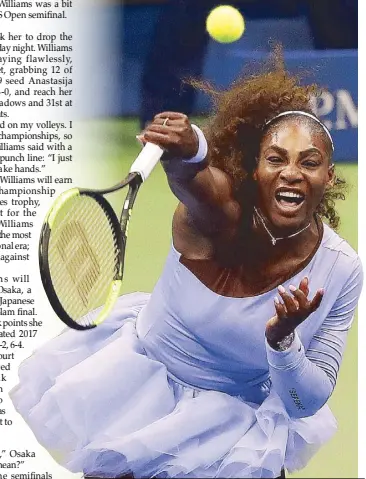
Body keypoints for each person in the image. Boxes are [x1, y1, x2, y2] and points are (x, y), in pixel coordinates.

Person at [10, 50, 362, 479]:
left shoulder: (341, 269)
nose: (291, 172)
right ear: (253, 169)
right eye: (276, 159)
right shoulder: (220, 219)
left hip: (238, 434)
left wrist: (284, 342)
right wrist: (191, 148)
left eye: (309, 162)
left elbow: (304, 402)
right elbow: (199, 186)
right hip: (141, 406)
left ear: (329, 175)